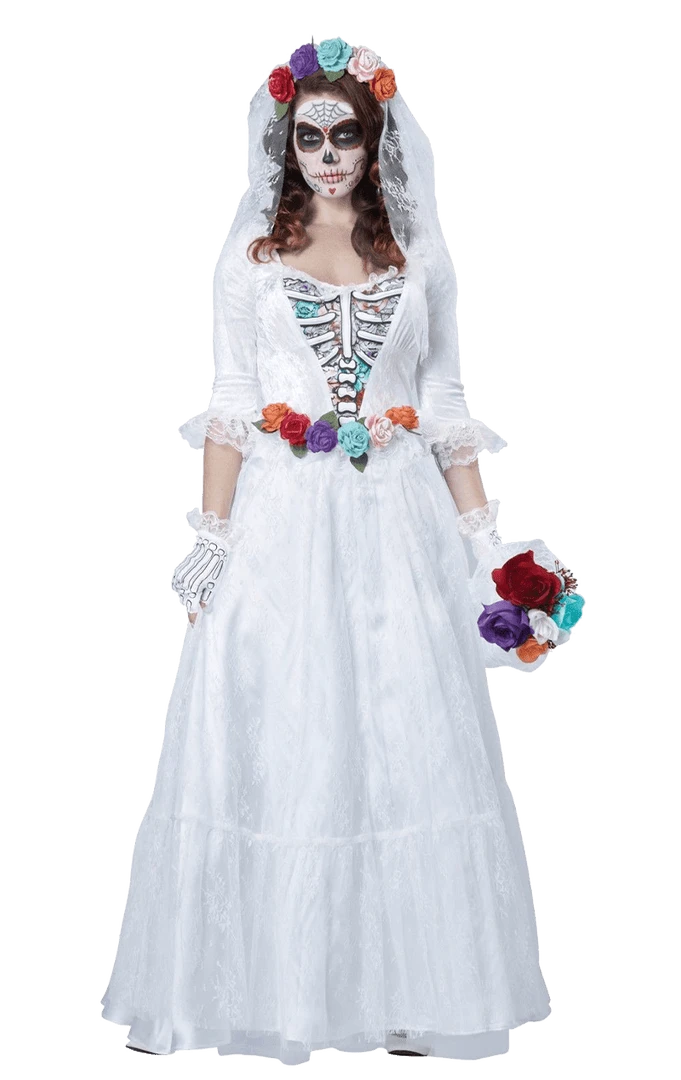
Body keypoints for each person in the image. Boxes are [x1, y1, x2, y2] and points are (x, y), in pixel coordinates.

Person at [100, 39, 551, 1064]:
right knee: (282, 733)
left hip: (394, 522)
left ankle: (403, 996)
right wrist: (211, 535)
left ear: (375, 140)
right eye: (310, 137)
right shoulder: (251, 265)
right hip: (284, 524)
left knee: (400, 739)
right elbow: (229, 405)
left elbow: (445, 409)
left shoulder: (419, 265)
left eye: (347, 134)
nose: (329, 154)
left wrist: (485, 543)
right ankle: (243, 996)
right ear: (287, 145)